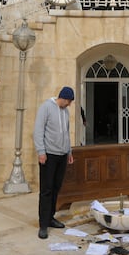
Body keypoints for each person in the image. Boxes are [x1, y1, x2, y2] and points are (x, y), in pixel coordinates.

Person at [33, 86, 75, 239]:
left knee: (56, 188)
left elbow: (66, 133)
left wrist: (69, 151)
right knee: (46, 189)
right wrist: (41, 151)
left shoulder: (65, 112)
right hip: (49, 155)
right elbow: (38, 130)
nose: (69, 104)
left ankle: (50, 218)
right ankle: (43, 224)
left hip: (62, 155)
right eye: (69, 101)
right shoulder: (46, 107)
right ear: (63, 98)